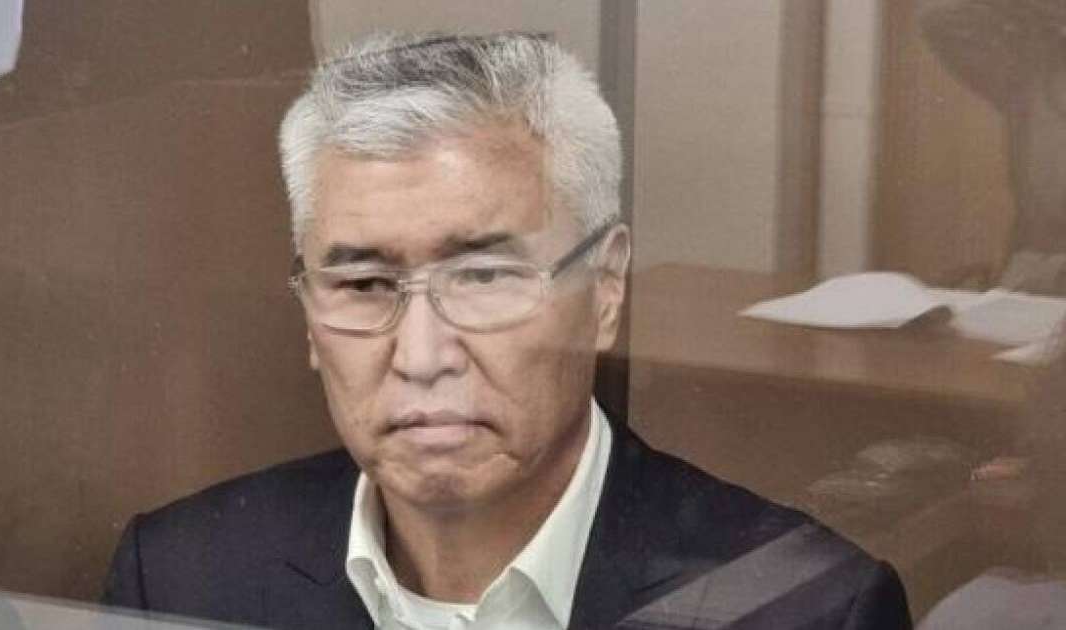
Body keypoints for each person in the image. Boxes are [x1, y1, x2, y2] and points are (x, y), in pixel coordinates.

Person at [101, 32, 911, 629]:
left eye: (484, 278)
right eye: (364, 285)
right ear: (309, 314)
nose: (422, 357)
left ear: (605, 290)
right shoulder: (178, 579)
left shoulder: (805, 610)